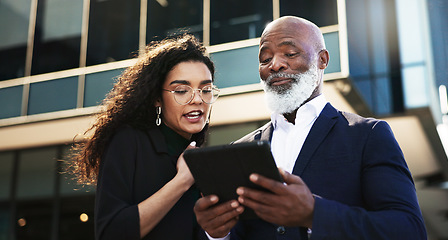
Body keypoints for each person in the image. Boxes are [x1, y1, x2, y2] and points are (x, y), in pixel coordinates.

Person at [193, 16, 427, 240]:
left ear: (322, 60)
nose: (275, 64)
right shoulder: (240, 149)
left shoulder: (368, 135)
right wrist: (219, 233)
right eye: (265, 59)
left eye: (290, 53)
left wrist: (314, 214)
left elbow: (408, 230)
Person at [71, 34, 219, 239]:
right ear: (157, 98)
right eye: (182, 90)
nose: (197, 99)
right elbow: (110, 233)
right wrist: (181, 182)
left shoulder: (198, 158)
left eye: (206, 89)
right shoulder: (128, 141)